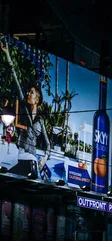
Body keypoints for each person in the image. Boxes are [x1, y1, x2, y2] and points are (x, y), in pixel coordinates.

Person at [1, 41, 51, 178]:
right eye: (29, 92)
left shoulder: (40, 121)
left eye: (32, 93)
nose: (29, 94)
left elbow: (48, 145)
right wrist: (8, 56)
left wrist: (44, 158)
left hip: (30, 162)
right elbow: (17, 81)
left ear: (37, 100)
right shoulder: (24, 110)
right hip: (21, 159)